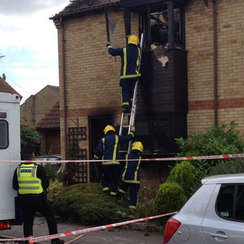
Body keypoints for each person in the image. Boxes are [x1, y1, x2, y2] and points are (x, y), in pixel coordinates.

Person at [12, 144, 64, 244]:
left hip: (24, 199)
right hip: (38, 198)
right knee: (50, 216)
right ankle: (55, 240)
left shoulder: (18, 169)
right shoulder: (38, 168)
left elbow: (15, 186)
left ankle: (29, 240)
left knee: (28, 221)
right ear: (33, 155)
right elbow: (46, 184)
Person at [94, 125, 135, 196]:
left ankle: (106, 192)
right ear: (113, 131)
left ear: (105, 132)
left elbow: (98, 150)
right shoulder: (116, 138)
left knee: (105, 177)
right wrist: (132, 131)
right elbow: (128, 138)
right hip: (115, 164)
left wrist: (96, 158)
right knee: (115, 178)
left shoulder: (103, 140)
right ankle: (113, 194)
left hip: (105, 164)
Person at [107, 35, 141, 113]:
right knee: (132, 89)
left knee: (125, 90)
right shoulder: (138, 50)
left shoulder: (124, 50)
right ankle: (132, 101)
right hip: (135, 75)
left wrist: (108, 46)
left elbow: (112, 52)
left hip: (125, 75)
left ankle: (125, 106)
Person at [117, 141, 143, 210]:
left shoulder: (127, 156)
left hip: (126, 176)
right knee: (133, 193)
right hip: (134, 178)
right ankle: (132, 209)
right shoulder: (140, 158)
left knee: (122, 189)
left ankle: (118, 200)